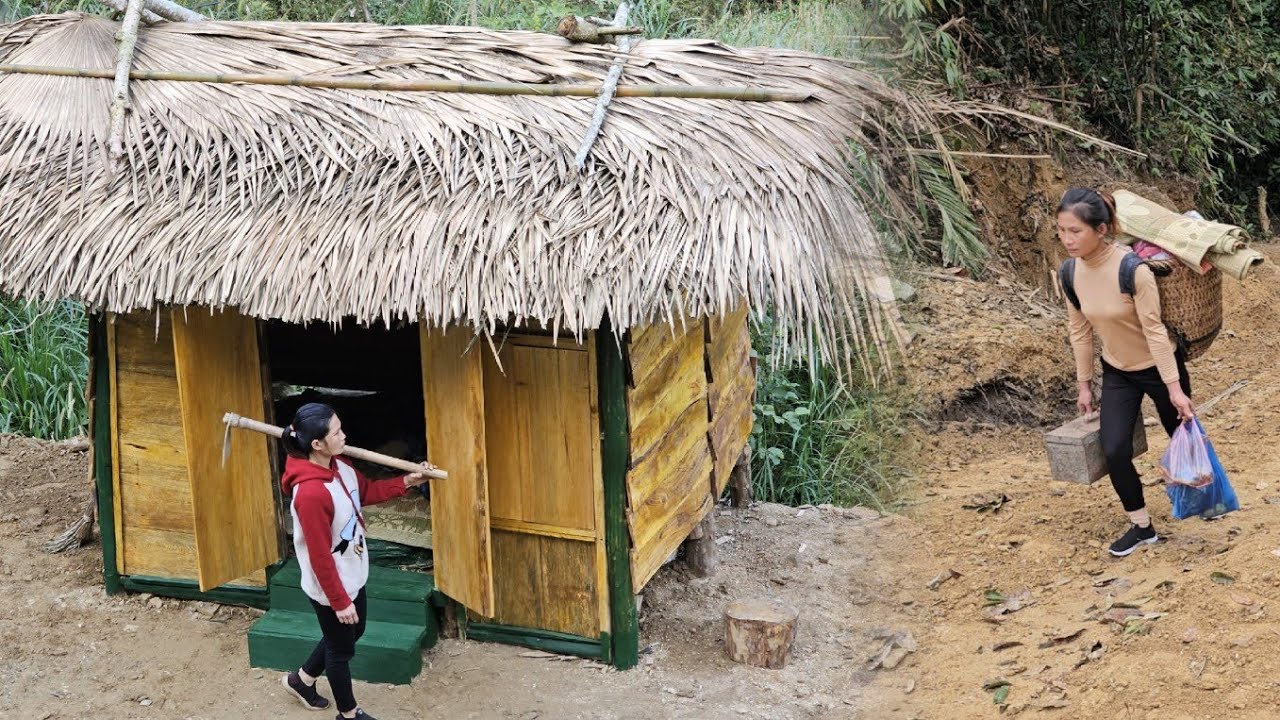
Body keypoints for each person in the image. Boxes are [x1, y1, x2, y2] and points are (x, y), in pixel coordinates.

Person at [1057, 187, 1195, 557]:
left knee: (1182, 434)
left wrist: (1175, 389)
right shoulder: (1069, 273)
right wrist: (1084, 384)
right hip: (1117, 371)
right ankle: (1141, 526)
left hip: (1158, 368)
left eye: (1076, 231)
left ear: (1101, 230)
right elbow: (1080, 332)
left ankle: (1205, 497)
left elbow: (1155, 332)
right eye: (1062, 231)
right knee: (1115, 448)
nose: (1067, 240)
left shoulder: (1133, 271)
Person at [277, 402, 433, 719]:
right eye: (337, 432)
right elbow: (319, 556)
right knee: (340, 650)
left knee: (353, 632)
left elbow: (366, 491)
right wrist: (338, 601)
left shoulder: (341, 466)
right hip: (330, 585)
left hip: (351, 570)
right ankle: (348, 713)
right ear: (317, 444)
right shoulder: (310, 494)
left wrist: (407, 482)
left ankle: (301, 679)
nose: (344, 435)